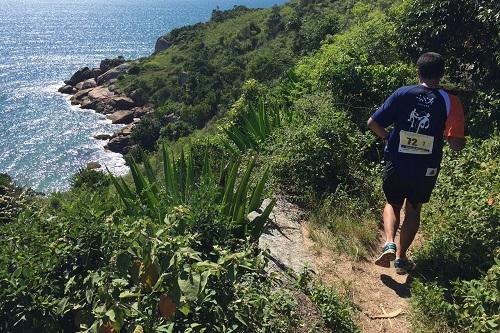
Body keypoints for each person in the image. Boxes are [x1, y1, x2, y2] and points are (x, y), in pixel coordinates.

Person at [367, 52, 465, 274]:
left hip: (398, 160)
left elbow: (373, 123)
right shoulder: (451, 101)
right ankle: (401, 259)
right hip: (426, 167)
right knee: (413, 209)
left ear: (418, 72)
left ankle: (389, 243)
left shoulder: (403, 93)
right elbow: (457, 144)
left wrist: (387, 137)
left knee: (392, 203)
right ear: (441, 74)